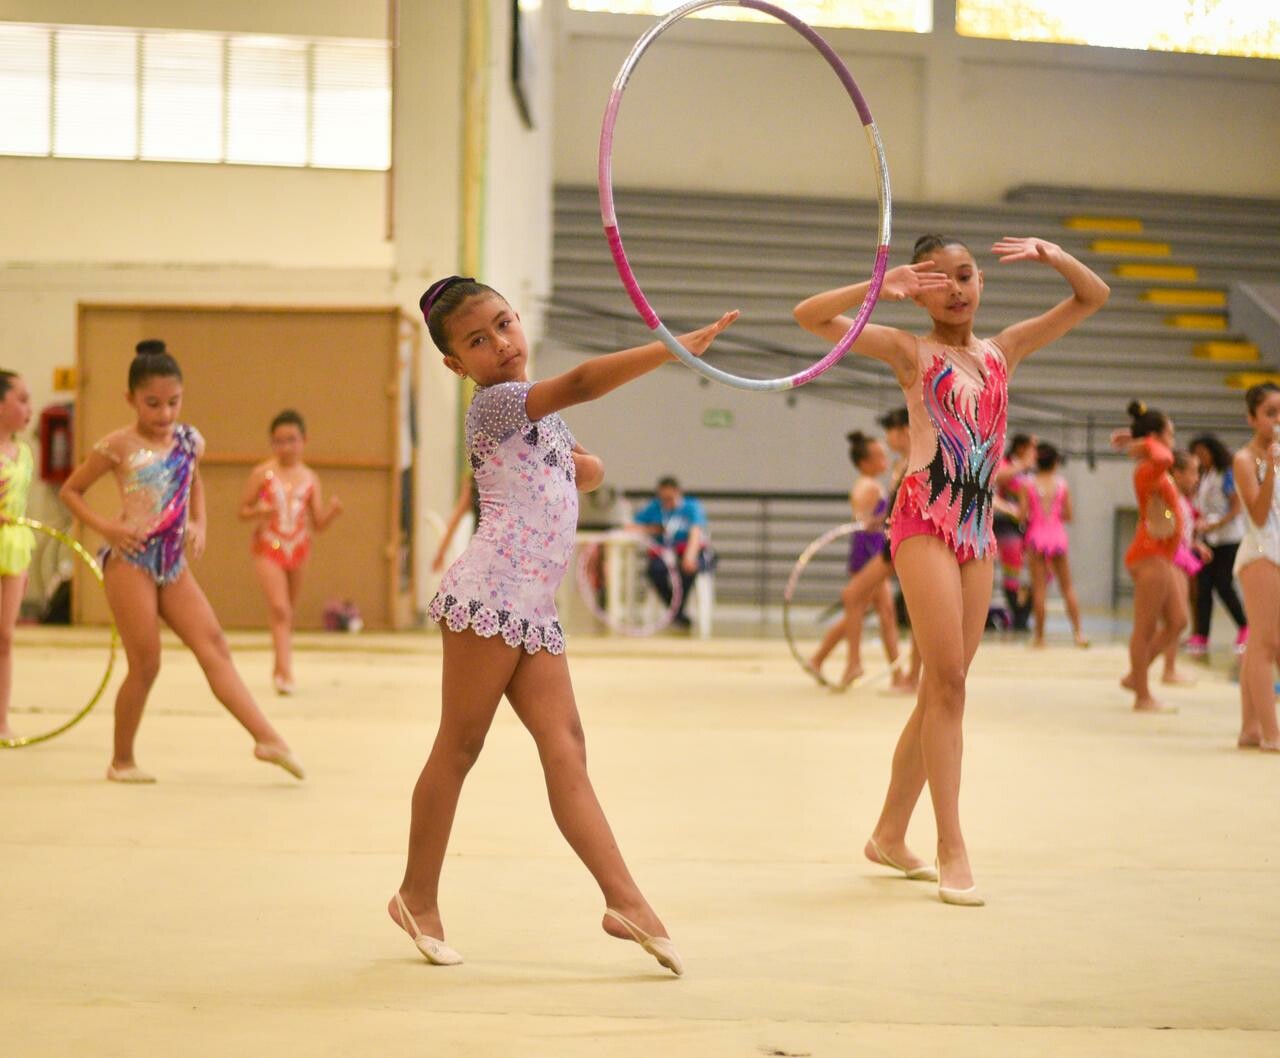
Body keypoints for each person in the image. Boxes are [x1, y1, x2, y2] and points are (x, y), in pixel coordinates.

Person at [393, 275, 737, 971]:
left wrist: (586, 467)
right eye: (477, 341)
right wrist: (667, 349)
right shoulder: (497, 404)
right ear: (457, 365)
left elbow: (576, 466)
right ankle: (415, 897)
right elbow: (579, 382)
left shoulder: (540, 414)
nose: (501, 344)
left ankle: (626, 900)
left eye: (505, 323)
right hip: (490, 598)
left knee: (567, 746)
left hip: (532, 609)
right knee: (459, 747)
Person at [795, 233, 1109, 905]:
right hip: (923, 518)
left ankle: (887, 833)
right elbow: (811, 318)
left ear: (981, 281)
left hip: (977, 529)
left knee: (944, 691)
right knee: (951, 681)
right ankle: (950, 844)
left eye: (965, 276)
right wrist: (882, 285)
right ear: (922, 289)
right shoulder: (911, 352)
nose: (958, 290)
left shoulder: (1005, 351)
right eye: (940, 282)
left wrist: (1053, 255)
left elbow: (1094, 296)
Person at [59, 340, 304, 784]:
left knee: (214, 645)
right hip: (130, 561)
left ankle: (268, 739)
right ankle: (122, 760)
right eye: (153, 403)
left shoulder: (189, 440)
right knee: (147, 662)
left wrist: (200, 522)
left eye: (173, 402)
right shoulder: (117, 445)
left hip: (172, 563)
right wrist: (108, 529)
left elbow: (194, 482)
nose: (165, 413)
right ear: (130, 398)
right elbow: (69, 492)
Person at [239, 409, 343, 695]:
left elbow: (318, 522)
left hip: (298, 548)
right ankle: (285, 672)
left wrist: (332, 512)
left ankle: (279, 665)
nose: (286, 447)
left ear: (304, 440)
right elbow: (242, 510)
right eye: (279, 441)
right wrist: (258, 510)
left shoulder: (310, 478)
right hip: (268, 545)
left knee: (287, 612)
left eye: (291, 440)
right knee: (279, 608)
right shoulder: (262, 473)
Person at [806, 428, 910, 689]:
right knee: (868, 608)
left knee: (872, 610)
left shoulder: (869, 483)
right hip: (869, 551)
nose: (884, 459)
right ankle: (854, 663)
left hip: (870, 547)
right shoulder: (870, 486)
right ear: (865, 462)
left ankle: (823, 659)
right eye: (879, 455)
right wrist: (881, 520)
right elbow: (862, 521)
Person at [1114, 401, 1185, 714]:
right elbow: (1165, 455)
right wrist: (1142, 443)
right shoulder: (1148, 467)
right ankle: (1143, 696)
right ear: (1157, 435)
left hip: (1161, 556)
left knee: (1178, 620)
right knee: (1144, 628)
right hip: (1149, 555)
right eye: (1169, 432)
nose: (1173, 438)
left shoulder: (1155, 468)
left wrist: (1138, 441)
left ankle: (1135, 674)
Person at [1231, 381, 1280, 751]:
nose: (1277, 421)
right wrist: (1272, 470)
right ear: (1252, 418)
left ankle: (1250, 728)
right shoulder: (1245, 459)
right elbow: (1260, 515)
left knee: (1262, 646)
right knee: (1266, 642)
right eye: (1270, 414)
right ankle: (1270, 732)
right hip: (1260, 552)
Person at [1020, 442, 1088, 648]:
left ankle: (1040, 638)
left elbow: (1023, 515)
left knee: (1040, 590)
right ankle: (1078, 634)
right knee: (1067, 587)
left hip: (1036, 536)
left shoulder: (1027, 484)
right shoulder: (1062, 485)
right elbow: (1068, 514)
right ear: (1056, 462)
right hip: (1057, 536)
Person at [1188, 433, 1247, 656]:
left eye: (1203, 453)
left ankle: (1244, 626)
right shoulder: (1204, 476)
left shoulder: (1227, 473)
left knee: (1223, 584)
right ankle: (1201, 634)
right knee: (1203, 588)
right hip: (1208, 540)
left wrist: (1217, 524)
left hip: (1228, 538)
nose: (1200, 458)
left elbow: (1236, 506)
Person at [0, 371, 34, 739]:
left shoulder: (24, 453)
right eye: (22, 400)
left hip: (15, 545)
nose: (29, 408)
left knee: (4, 637)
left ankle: (1, 718)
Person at [632, 476, 711, 631]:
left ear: (678, 493)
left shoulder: (691, 507)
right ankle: (677, 613)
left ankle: (676, 612)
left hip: (687, 551)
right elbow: (631, 526)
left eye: (669, 498)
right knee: (655, 571)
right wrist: (652, 529)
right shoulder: (655, 507)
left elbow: (696, 532)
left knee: (687, 571)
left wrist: (690, 556)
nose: (666, 502)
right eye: (663, 498)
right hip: (665, 553)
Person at [1160, 449, 1209, 686]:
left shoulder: (1182, 499)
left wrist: (1196, 545)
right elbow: (1166, 528)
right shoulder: (1170, 498)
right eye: (1193, 472)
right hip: (1171, 559)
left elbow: (1184, 532)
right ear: (1177, 473)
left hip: (1181, 556)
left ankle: (1169, 667)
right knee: (1176, 619)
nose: (1197, 477)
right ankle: (1156, 665)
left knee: (1176, 620)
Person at [994, 434, 1038, 630]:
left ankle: (1025, 612)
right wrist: (1022, 465)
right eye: (1032, 447)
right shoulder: (1007, 463)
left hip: (1030, 527)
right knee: (1012, 572)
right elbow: (999, 477)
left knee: (1036, 573)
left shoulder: (1033, 470)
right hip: (1007, 525)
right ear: (1021, 447)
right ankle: (1018, 615)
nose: (1035, 452)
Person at [430, 472, 478, 574]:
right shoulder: (475, 481)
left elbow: (455, 519)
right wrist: (441, 553)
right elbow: (455, 518)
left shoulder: (475, 481)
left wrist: (440, 553)